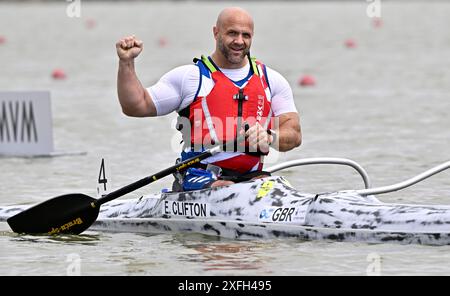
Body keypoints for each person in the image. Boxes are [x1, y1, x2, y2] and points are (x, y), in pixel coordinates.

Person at [116, 7, 301, 191]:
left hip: (250, 179)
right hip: (198, 177)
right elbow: (136, 105)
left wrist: (270, 136)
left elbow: (294, 134)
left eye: (246, 35)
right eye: (232, 33)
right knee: (225, 188)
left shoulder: (271, 80)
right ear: (216, 33)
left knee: (278, 187)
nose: (239, 41)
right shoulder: (190, 78)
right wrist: (126, 63)